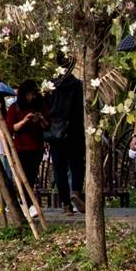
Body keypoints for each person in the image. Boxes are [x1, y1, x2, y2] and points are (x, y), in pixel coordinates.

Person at [47, 59, 86, 211]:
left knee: (59, 168)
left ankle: (66, 204)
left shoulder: (50, 86)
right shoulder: (78, 85)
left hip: (55, 132)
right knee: (77, 164)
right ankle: (75, 191)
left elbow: (46, 107)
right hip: (75, 130)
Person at [7, 80, 49, 210]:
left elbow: (47, 126)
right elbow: (10, 127)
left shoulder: (41, 106)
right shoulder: (15, 107)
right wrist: (24, 121)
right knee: (23, 175)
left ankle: (28, 203)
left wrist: (41, 119)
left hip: (37, 147)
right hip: (21, 148)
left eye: (33, 94)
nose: (32, 97)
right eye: (29, 94)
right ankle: (26, 202)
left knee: (32, 175)